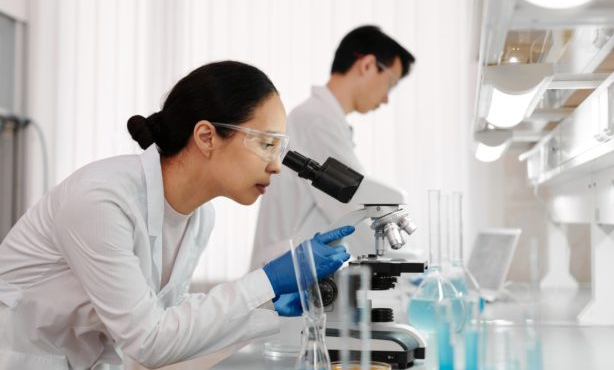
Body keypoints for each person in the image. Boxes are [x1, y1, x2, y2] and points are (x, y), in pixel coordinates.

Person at [0, 61, 354, 370]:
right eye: (266, 144)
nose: (277, 166)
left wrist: (266, 308)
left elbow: (171, 328)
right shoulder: (101, 199)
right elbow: (149, 341)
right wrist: (267, 280)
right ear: (206, 136)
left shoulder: (199, 218)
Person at [251, 25, 415, 269]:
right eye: (390, 84)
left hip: (296, 272)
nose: (386, 99)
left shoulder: (321, 119)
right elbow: (353, 205)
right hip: (285, 278)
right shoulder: (317, 121)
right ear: (368, 65)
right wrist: (409, 267)